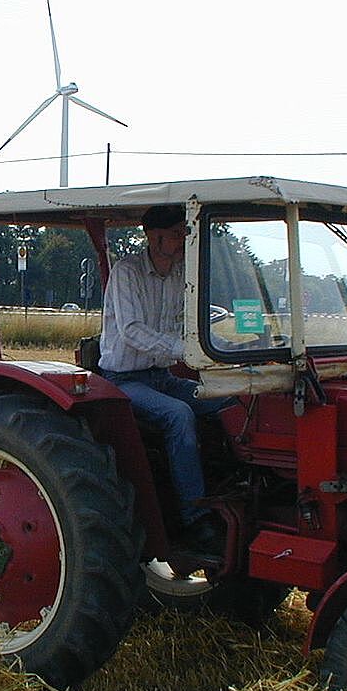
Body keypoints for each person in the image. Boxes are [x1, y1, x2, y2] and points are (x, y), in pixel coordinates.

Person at [98, 203, 230, 561]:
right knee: (178, 415)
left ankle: (232, 498)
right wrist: (182, 347)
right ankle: (194, 518)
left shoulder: (180, 273)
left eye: (185, 233)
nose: (183, 240)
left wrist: (219, 341)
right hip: (123, 380)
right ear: (154, 238)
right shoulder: (127, 273)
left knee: (231, 401)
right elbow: (132, 331)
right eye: (177, 234)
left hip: (162, 376)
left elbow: (189, 317)